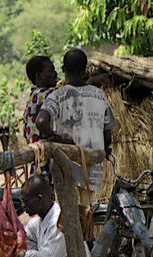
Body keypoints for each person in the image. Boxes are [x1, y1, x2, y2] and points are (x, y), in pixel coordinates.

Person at [36, 49, 115, 192]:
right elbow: (107, 136)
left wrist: (57, 138)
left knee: (70, 212)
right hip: (94, 173)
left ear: (63, 69)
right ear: (84, 71)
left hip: (66, 172)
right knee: (90, 211)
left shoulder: (57, 96)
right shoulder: (100, 96)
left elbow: (41, 122)